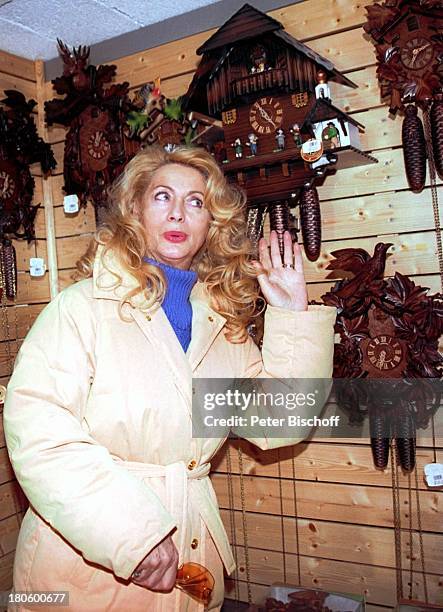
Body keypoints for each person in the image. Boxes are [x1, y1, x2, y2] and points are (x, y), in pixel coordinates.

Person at [4, 145, 336, 612]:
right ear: (134, 210)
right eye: (162, 196)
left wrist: (291, 312)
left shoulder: (221, 325)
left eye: (196, 202)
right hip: (86, 570)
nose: (179, 212)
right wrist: (131, 534)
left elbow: (279, 422)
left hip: (187, 565)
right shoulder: (80, 309)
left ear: (210, 224)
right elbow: (41, 438)